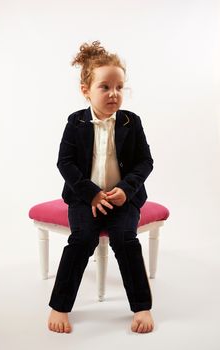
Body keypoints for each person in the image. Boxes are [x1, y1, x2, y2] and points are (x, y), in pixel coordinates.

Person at [48, 40, 154, 334]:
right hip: (85, 198)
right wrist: (91, 194)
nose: (114, 94)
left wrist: (126, 190)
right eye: (105, 87)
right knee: (81, 240)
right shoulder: (75, 122)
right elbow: (65, 163)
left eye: (119, 87)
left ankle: (142, 306)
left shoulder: (132, 122)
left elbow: (145, 162)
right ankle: (60, 305)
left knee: (125, 239)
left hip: (123, 198)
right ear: (86, 91)